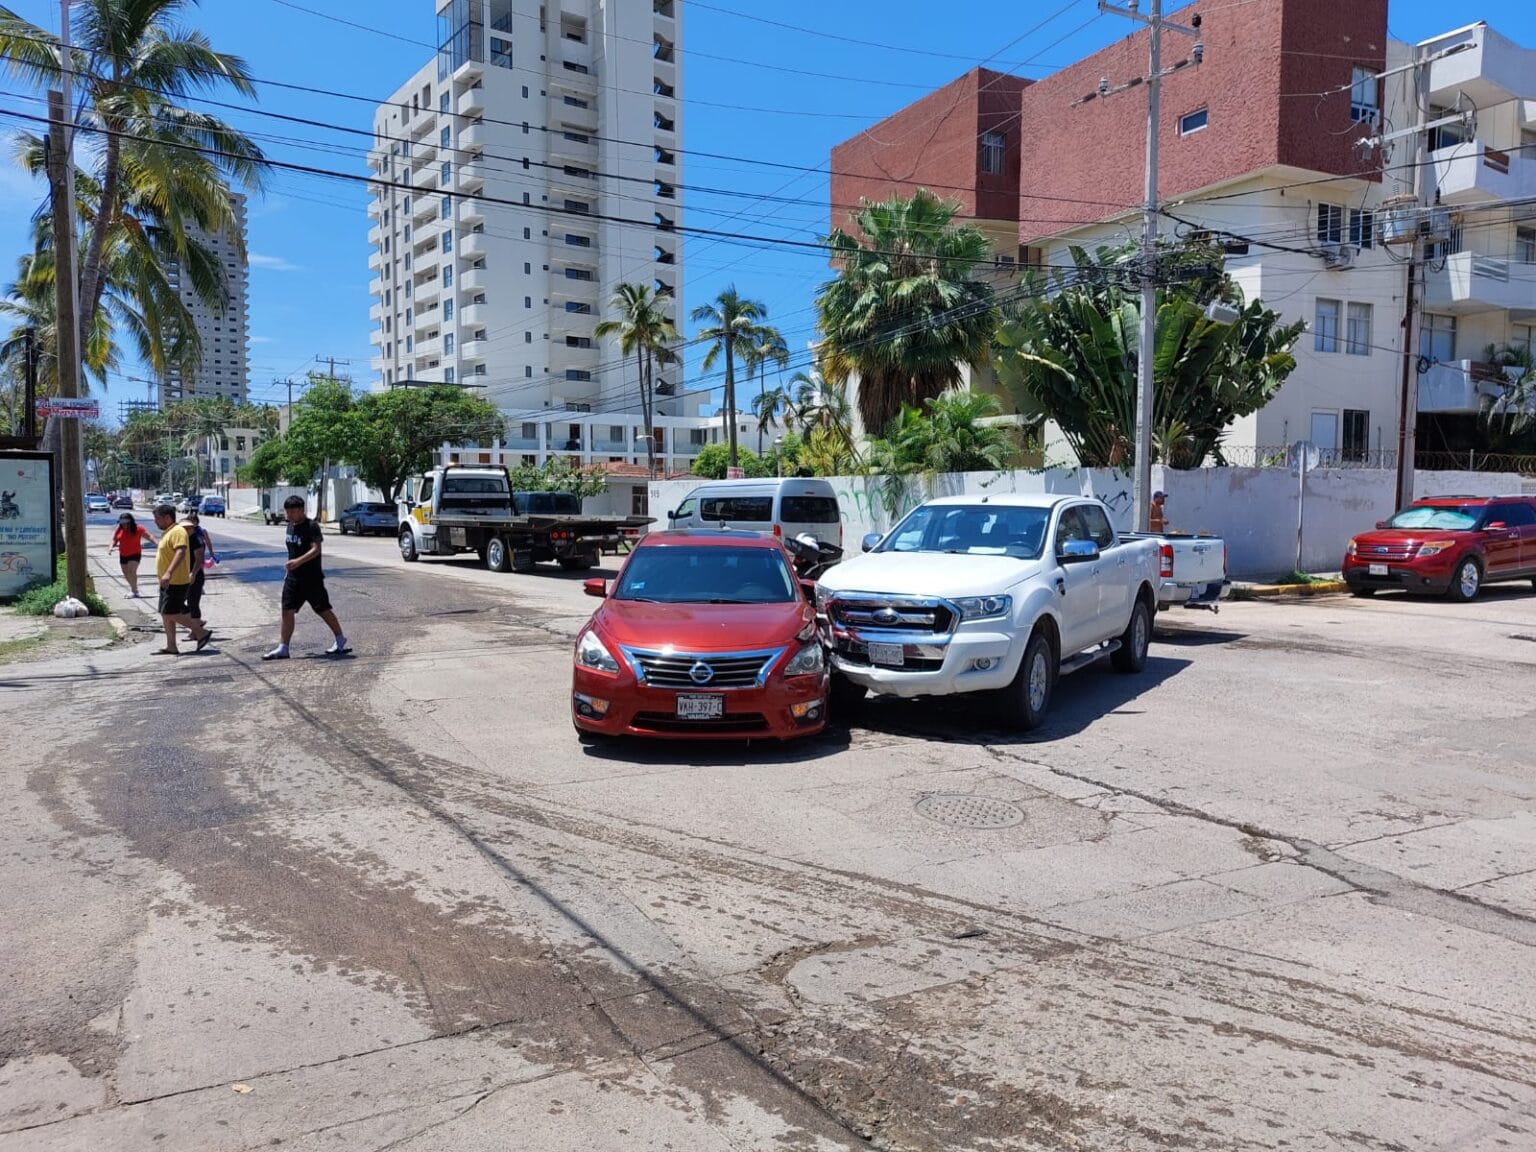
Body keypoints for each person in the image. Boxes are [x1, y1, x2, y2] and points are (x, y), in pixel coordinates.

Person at [264, 495, 348, 660]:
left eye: (293, 511)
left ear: (301, 510)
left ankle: (340, 639)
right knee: (287, 610)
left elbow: (316, 549)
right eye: (287, 511)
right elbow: (292, 550)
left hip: (311, 578)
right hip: (293, 578)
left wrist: (298, 561)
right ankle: (284, 647)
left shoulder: (311, 526)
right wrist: (290, 568)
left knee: (322, 609)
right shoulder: (290, 526)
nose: (289, 515)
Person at [151, 503, 212, 655]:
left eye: (157, 518)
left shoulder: (177, 531)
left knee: (170, 613)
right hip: (167, 582)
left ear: (167, 517)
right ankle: (171, 645)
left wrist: (169, 573)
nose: (155, 521)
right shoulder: (168, 532)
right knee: (166, 614)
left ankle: (200, 632)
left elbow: (181, 552)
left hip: (176, 580)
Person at [180, 509, 217, 622]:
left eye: (188, 526)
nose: (185, 529)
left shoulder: (197, 537)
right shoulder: (182, 538)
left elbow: (199, 558)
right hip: (184, 573)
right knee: (178, 602)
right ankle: (196, 624)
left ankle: (196, 628)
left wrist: (193, 574)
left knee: (192, 602)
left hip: (194, 572)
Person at [109, 512, 155, 598]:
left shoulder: (138, 529)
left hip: (135, 553)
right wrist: (110, 547)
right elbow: (114, 539)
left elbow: (149, 536)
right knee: (126, 573)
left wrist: (157, 543)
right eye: (122, 523)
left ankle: (133, 591)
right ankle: (135, 589)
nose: (124, 525)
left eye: (126, 523)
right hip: (123, 554)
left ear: (130, 522)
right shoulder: (119, 529)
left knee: (131, 571)